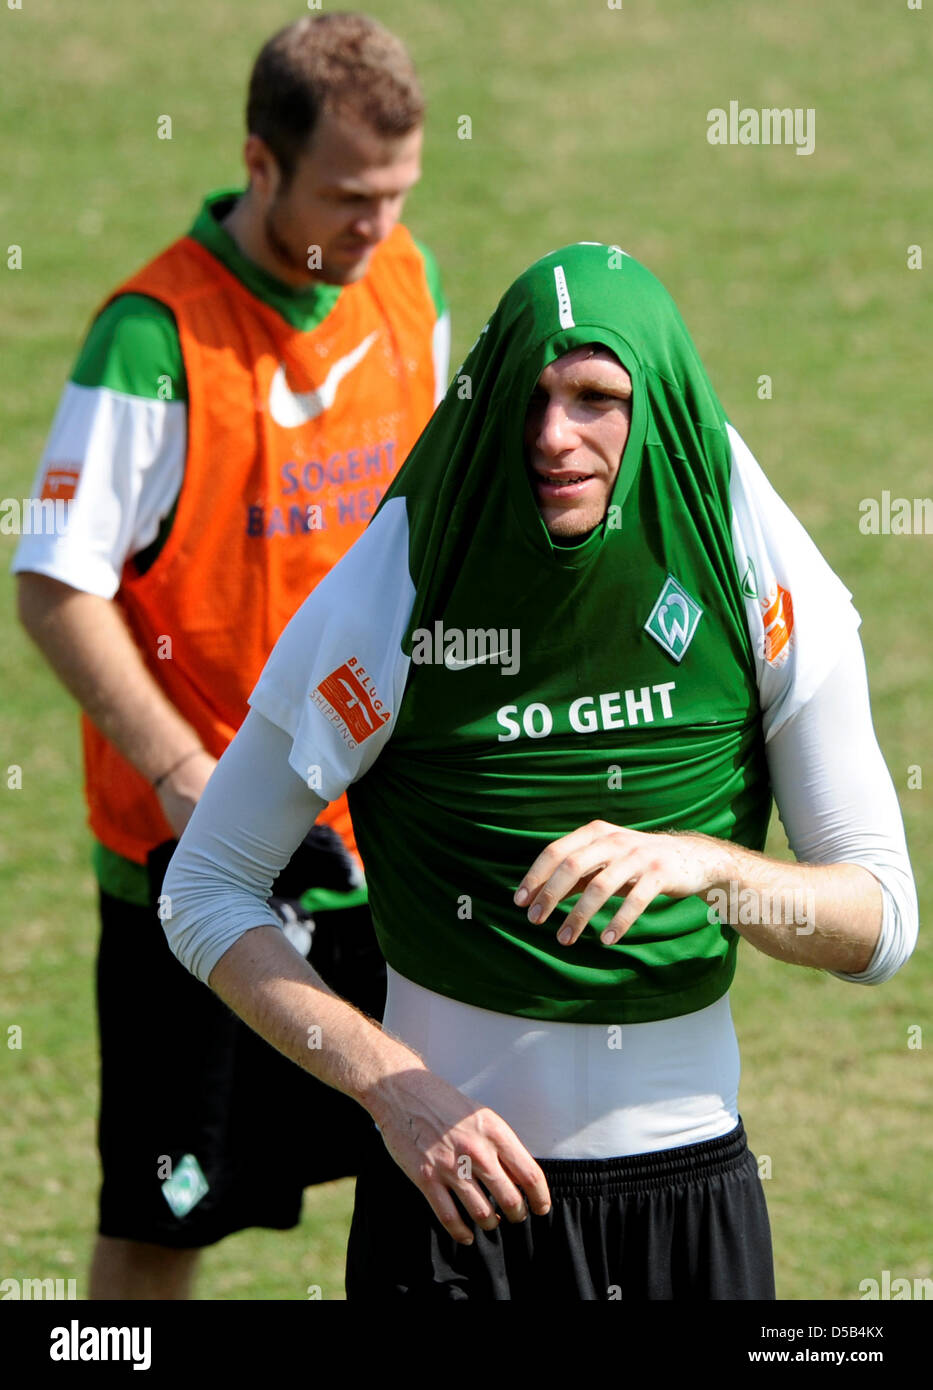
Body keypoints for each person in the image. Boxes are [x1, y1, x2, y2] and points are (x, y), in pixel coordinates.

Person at [161, 242, 917, 1300]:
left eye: (596, 398)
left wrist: (711, 869)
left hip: (691, 1208)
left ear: (652, 402)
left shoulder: (751, 560)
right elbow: (203, 889)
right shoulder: (396, 584)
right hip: (452, 1208)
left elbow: (882, 922)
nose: (554, 437)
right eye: (529, 395)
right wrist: (396, 1093)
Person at [13, 13, 449, 1300]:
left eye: (398, 194)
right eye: (349, 196)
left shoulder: (405, 281)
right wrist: (180, 770)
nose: (375, 226)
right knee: (163, 1225)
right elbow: (53, 586)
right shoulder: (151, 342)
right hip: (209, 866)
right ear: (261, 166)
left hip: (386, 852)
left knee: (432, 1176)